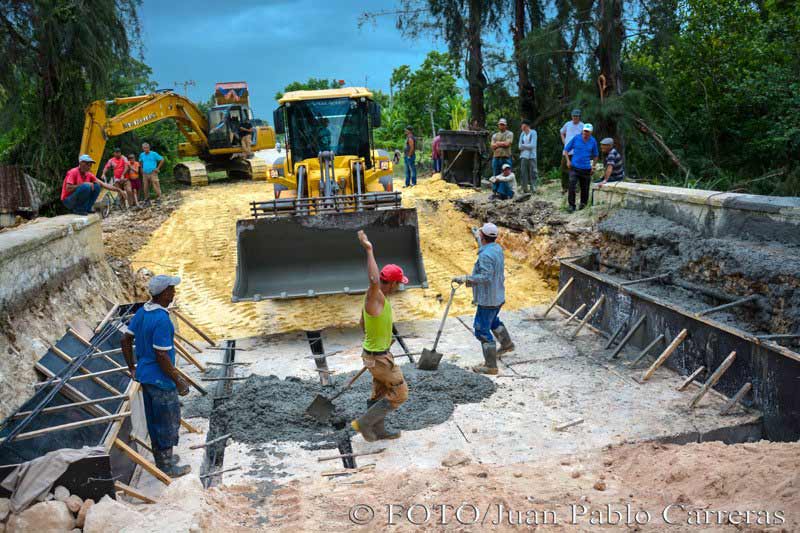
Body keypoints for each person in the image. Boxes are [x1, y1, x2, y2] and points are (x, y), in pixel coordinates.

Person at [120, 275, 192, 478]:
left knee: (154, 420)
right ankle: (167, 467)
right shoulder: (162, 320)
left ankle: (163, 461)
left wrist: (132, 367)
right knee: (168, 421)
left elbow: (125, 339)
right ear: (164, 294)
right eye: (171, 290)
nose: (174, 293)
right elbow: (161, 355)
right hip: (161, 379)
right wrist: (178, 380)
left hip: (145, 376)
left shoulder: (143, 312)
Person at [350, 230, 409, 442]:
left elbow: (362, 324)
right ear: (391, 283)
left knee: (380, 394)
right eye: (398, 283)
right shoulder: (375, 296)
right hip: (378, 358)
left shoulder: (376, 301)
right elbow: (374, 279)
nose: (400, 286)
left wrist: (378, 339)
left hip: (376, 355)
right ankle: (364, 423)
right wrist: (369, 249)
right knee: (400, 393)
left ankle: (378, 430)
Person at [452, 223, 514, 375]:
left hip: (488, 299)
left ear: (483, 236)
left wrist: (465, 278)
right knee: (493, 321)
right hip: (498, 295)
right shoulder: (496, 248)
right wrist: (477, 237)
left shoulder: (485, 256)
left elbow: (486, 277)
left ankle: (490, 365)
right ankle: (507, 344)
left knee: (481, 329)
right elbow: (486, 247)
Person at [563, 123, 599, 212]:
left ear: (591, 132)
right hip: (575, 167)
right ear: (582, 130)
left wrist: (593, 166)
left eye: (588, 132)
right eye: (585, 131)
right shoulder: (576, 138)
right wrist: (568, 161)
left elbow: (595, 155)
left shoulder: (593, 141)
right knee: (571, 185)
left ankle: (583, 204)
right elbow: (566, 150)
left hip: (586, 168)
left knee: (585, 187)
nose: (586, 133)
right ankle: (571, 205)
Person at [560, 109, 585, 194]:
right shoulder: (567, 124)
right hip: (566, 150)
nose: (575, 118)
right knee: (564, 168)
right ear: (572, 116)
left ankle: (576, 187)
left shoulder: (582, 125)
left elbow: (585, 137)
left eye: (577, 116)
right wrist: (564, 141)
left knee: (577, 169)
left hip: (577, 151)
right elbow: (561, 132)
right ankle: (564, 187)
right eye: (574, 116)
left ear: (579, 117)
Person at [518, 120, 538, 193]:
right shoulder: (522, 134)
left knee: (533, 172)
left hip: (532, 155)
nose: (522, 127)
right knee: (523, 172)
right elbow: (519, 146)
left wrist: (523, 146)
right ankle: (525, 188)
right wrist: (525, 146)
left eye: (523, 125)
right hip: (523, 155)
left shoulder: (533, 132)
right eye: (522, 126)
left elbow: (533, 145)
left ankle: (534, 188)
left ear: (527, 126)